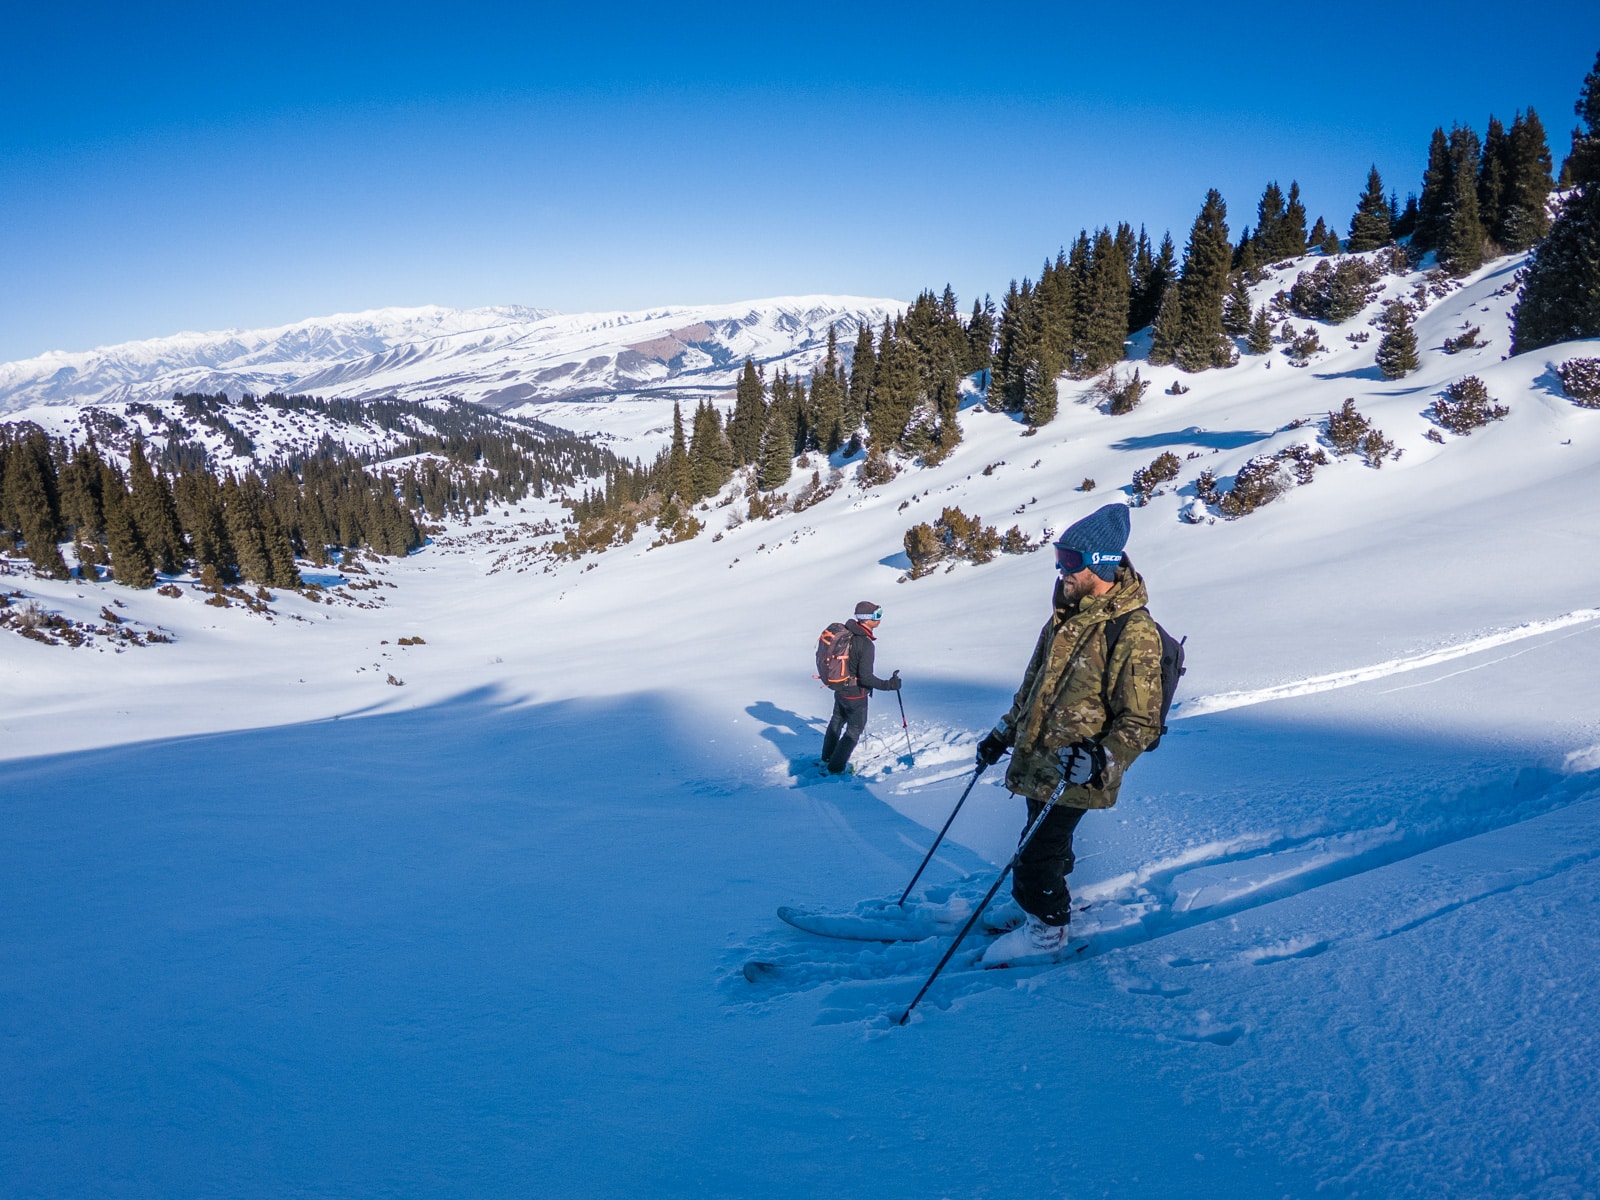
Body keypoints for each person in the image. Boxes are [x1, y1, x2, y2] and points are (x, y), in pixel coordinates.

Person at [973, 503, 1164, 961]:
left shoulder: (1134, 632)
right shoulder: (1065, 617)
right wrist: (1003, 734)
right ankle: (1038, 907)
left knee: (1036, 855)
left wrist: (1101, 760)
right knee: (1040, 845)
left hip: (1076, 768)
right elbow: (1032, 690)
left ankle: (1046, 931)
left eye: (1071, 560)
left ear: (1099, 563)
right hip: (1040, 759)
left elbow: (1141, 721)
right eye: (1060, 557)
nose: (1062, 570)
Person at [819, 601, 902, 775]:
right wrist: (889, 685)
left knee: (836, 721)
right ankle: (835, 768)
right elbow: (866, 677)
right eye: (877, 615)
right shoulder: (865, 644)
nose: (880, 619)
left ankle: (827, 758)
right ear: (867, 619)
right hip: (856, 694)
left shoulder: (848, 633)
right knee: (854, 730)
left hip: (840, 687)